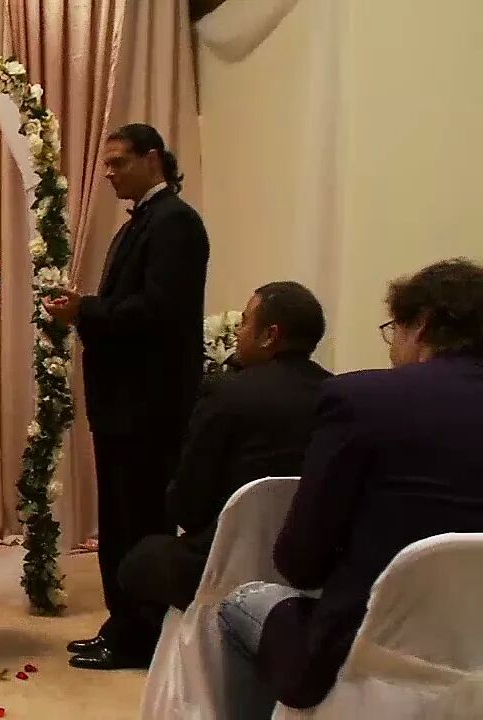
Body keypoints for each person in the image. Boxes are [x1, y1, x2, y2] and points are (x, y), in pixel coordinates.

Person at [216, 259, 483, 716]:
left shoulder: (364, 400)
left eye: (393, 330)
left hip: (365, 654)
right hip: (474, 655)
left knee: (240, 603)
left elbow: (300, 563)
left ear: (421, 325)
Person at [43, 123, 210, 670]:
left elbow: (159, 313)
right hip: (125, 404)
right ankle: (123, 625)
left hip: (148, 406)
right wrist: (88, 308)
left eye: (118, 162)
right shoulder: (146, 221)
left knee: (139, 522)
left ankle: (139, 635)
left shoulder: (175, 222)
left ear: (153, 158)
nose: (109, 173)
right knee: (120, 519)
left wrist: (85, 310)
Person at [117, 281, 331, 614]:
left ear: (269, 335)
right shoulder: (339, 395)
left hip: (227, 566)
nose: (238, 333)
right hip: (308, 565)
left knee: (139, 560)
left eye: (245, 322)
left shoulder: (228, 394)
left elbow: (187, 508)